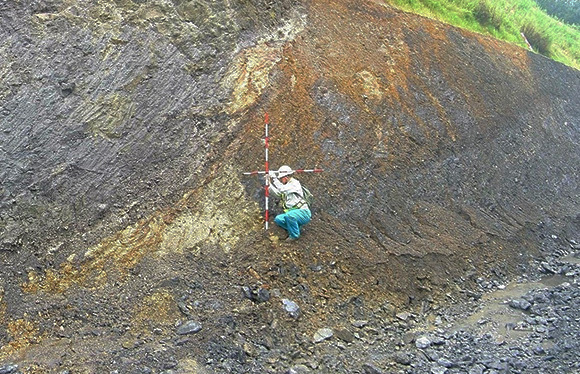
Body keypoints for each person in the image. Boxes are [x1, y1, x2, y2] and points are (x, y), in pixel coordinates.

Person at [267, 165, 311, 241]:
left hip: (303, 212)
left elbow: (282, 189)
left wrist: (274, 178)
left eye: (281, 179)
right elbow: (278, 193)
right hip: (293, 213)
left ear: (285, 177)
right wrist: (269, 184)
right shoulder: (286, 187)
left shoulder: (295, 184)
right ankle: (294, 228)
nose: (281, 180)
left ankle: (294, 235)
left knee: (289, 216)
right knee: (278, 219)